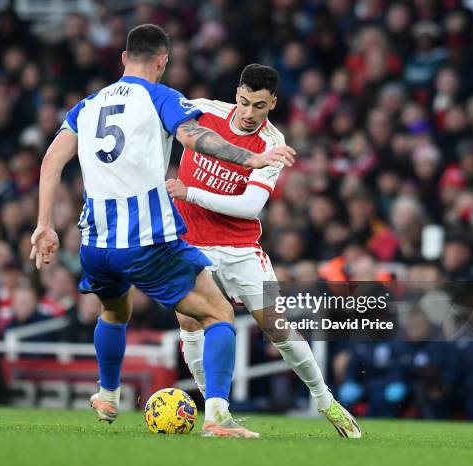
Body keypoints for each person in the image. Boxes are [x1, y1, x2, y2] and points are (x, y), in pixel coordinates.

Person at [29, 24, 295, 439]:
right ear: (162, 62)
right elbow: (195, 137)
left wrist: (45, 224)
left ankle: (108, 394)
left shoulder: (88, 104)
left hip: (96, 240)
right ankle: (218, 418)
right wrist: (252, 159)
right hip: (147, 238)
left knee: (115, 311)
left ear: (123, 58)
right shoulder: (160, 96)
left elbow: (50, 162)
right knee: (219, 313)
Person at [166, 64, 361, 438]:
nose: (248, 112)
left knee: (277, 327)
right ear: (236, 92)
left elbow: (249, 207)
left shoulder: (273, 144)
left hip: (239, 246)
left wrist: (188, 192)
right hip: (189, 241)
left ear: (273, 102)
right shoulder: (204, 110)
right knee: (190, 322)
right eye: (243, 101)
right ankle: (216, 411)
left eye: (258, 105)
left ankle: (325, 400)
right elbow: (160, 119)